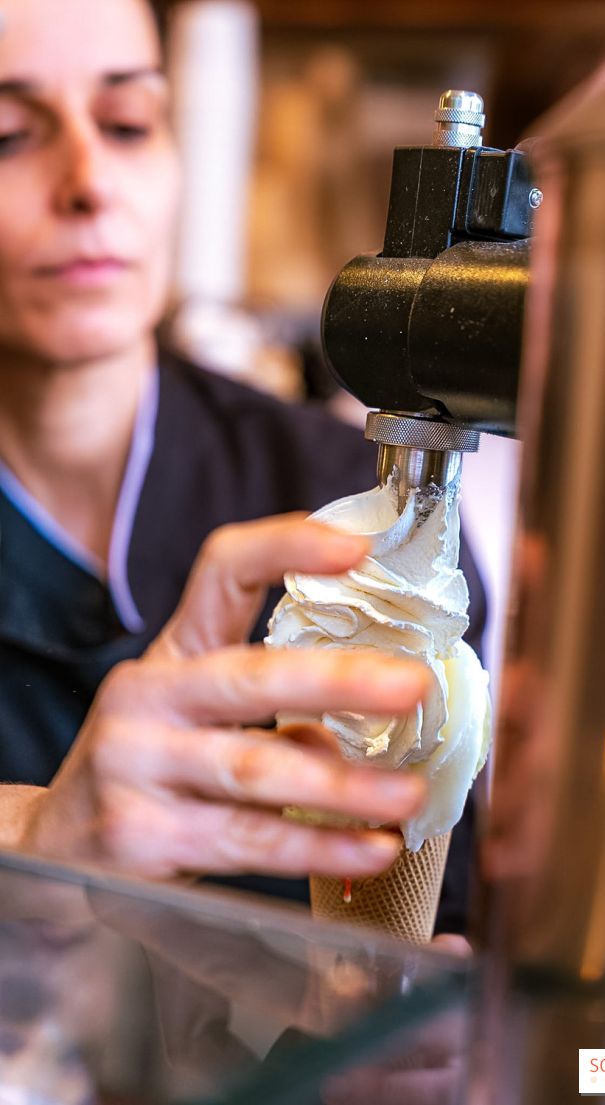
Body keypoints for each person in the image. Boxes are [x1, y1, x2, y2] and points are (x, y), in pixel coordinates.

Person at [0, 0, 486, 926]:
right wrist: (32, 833)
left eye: (129, 123)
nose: (89, 181)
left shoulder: (362, 513)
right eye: (9, 136)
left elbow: (463, 921)